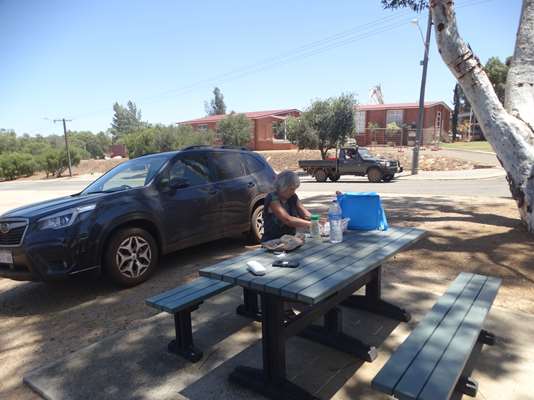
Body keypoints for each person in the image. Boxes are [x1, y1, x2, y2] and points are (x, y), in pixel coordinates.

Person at [261, 170, 314, 242]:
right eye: (291, 189)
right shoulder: (272, 198)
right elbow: (287, 220)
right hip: (273, 241)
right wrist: (310, 224)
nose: (293, 192)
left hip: (290, 240)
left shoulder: (293, 196)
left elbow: (305, 214)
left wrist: (317, 219)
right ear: (283, 187)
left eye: (295, 189)